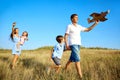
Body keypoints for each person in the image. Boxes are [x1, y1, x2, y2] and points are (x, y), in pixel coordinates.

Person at [64, 14, 99, 79]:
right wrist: (66, 45)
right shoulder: (69, 26)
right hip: (73, 44)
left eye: (77, 17)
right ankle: (81, 77)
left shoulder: (79, 26)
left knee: (72, 59)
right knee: (77, 60)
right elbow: (66, 35)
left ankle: (65, 68)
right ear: (72, 19)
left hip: (78, 44)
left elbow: (88, 29)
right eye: (76, 17)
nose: (77, 18)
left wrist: (95, 23)